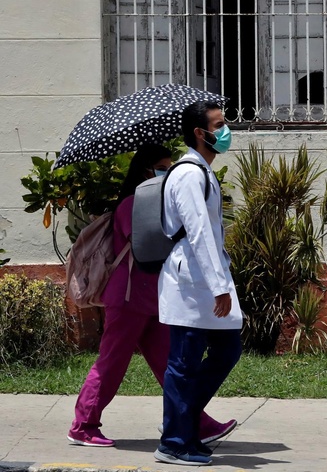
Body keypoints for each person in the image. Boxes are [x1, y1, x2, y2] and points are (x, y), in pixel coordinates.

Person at [68, 144, 236, 448]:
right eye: (162, 167)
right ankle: (83, 425)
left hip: (154, 300)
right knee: (112, 363)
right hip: (129, 299)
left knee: (170, 364)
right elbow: (148, 246)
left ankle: (196, 421)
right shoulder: (132, 204)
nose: (167, 173)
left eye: (170, 167)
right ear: (145, 171)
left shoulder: (157, 203)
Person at [154, 102, 243, 466]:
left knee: (227, 350)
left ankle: (187, 424)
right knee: (184, 363)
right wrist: (220, 285)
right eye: (219, 125)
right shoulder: (190, 174)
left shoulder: (202, 172)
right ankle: (174, 441)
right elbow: (199, 234)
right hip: (192, 282)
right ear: (199, 133)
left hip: (203, 280)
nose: (225, 131)